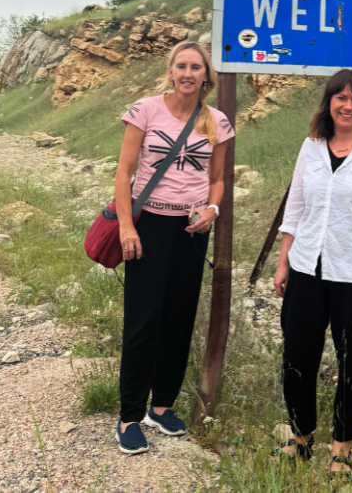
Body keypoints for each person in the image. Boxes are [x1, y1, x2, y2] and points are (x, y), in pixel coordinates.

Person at [272, 69, 352, 475]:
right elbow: (294, 209)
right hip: (307, 266)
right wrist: (283, 262)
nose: (347, 105)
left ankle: (342, 446)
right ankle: (301, 436)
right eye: (340, 98)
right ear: (329, 103)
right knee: (297, 355)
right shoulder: (311, 147)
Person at [114, 41, 234, 454]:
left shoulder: (216, 121)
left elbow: (217, 178)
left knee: (179, 319)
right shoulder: (145, 110)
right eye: (181, 66)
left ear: (206, 76)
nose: (188, 73)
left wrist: (213, 210)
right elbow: (125, 170)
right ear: (171, 71)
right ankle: (130, 414)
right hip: (148, 226)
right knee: (143, 320)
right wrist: (127, 227)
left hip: (189, 230)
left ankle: (161, 406)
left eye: (195, 67)